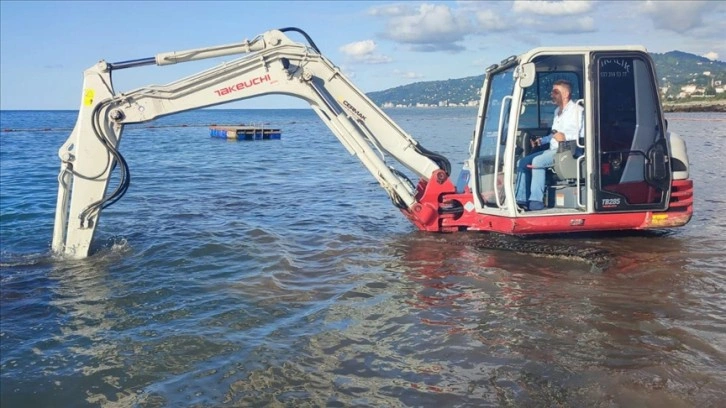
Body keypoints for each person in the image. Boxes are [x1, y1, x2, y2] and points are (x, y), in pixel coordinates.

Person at [514, 79, 583, 211]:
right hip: (555, 149)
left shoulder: (577, 111)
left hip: (569, 150)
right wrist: (543, 140)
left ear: (566, 93)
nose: (552, 95)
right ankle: (521, 199)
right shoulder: (557, 111)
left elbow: (582, 136)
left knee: (537, 161)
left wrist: (565, 137)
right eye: (552, 92)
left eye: (555, 92)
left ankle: (536, 202)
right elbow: (554, 134)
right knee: (522, 162)